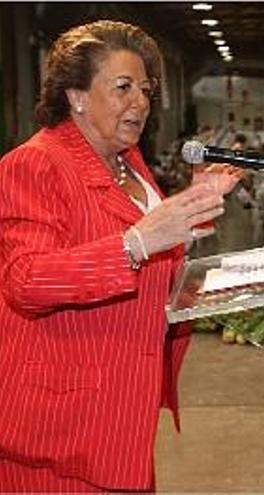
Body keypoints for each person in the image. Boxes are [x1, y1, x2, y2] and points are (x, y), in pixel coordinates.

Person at [0, 21, 236, 491]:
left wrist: (190, 215)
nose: (141, 103)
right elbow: (26, 280)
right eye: (123, 87)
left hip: (125, 401)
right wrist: (138, 242)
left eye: (146, 90)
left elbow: (145, 248)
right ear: (76, 95)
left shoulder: (127, 162)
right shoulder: (35, 163)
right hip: (64, 424)